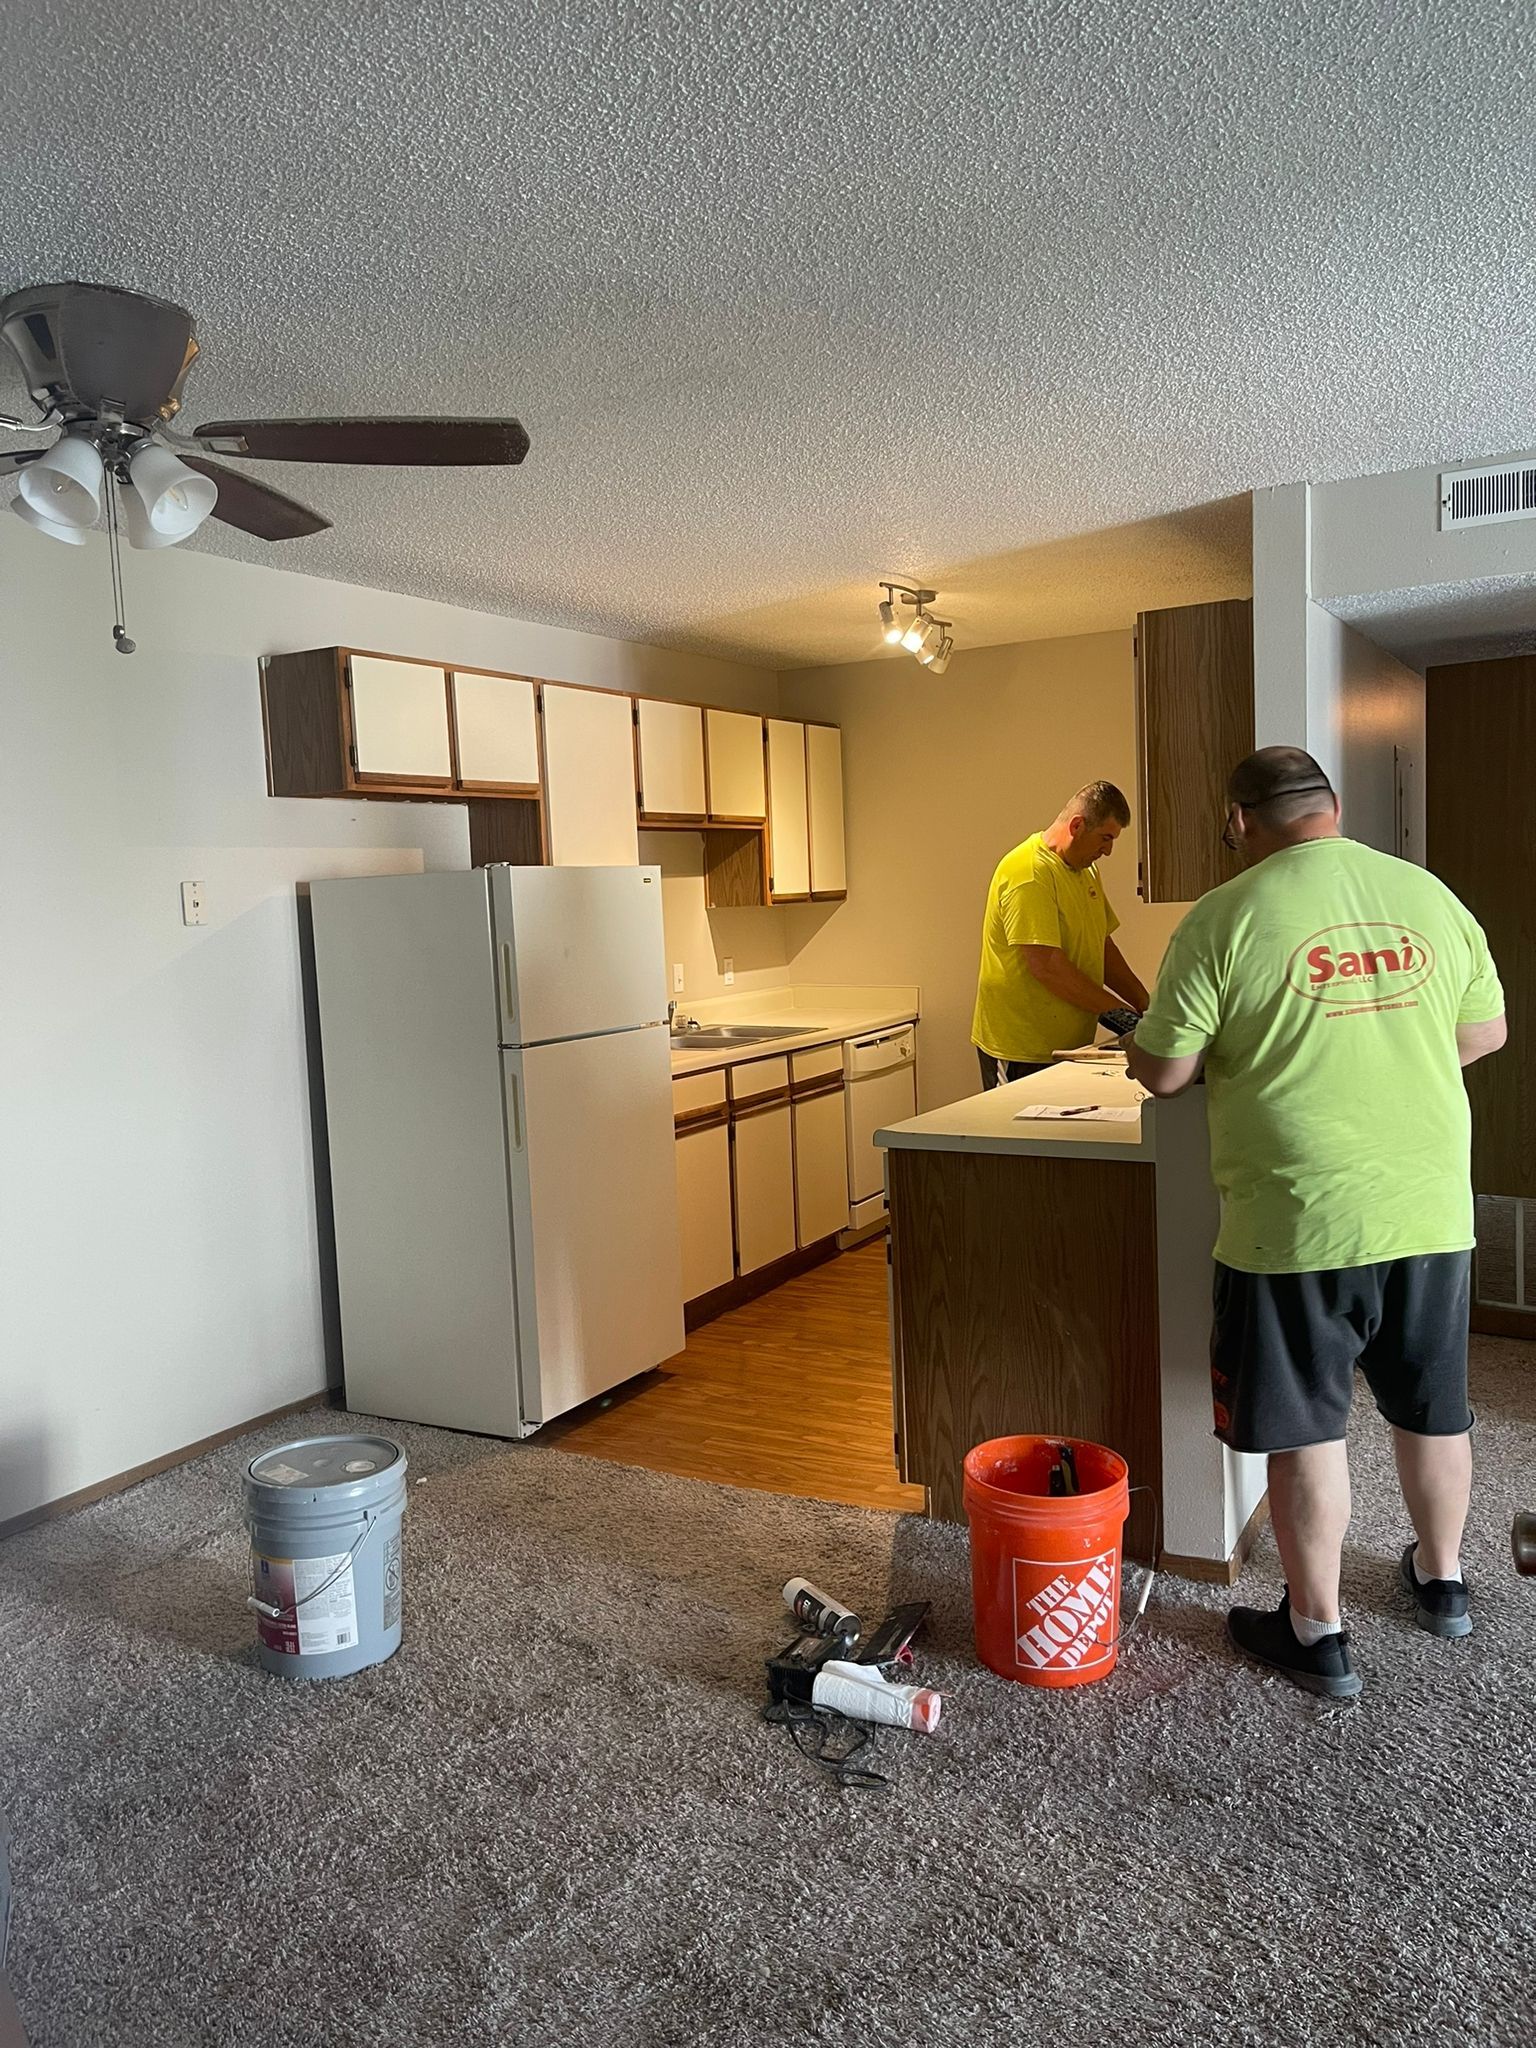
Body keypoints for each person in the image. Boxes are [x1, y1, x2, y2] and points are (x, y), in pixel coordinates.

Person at [1126, 746, 1506, 1699]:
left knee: (1311, 1435)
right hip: (1429, 1212)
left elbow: (1165, 1070)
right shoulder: (1427, 895)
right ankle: (1444, 1581)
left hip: (1295, 1223)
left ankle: (1318, 1632)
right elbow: (1483, 1032)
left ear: (1238, 822)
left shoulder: (1224, 916)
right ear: (1333, 808)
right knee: (1433, 1411)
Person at [970, 781, 1151, 1090]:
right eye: (1105, 838)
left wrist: (1146, 1006)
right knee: (1020, 1138)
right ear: (1077, 825)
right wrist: (1120, 1016)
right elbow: (1048, 967)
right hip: (1021, 1050)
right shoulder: (1028, 872)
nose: (1108, 850)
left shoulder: (1085, 871)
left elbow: (1102, 946)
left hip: (1067, 1047)